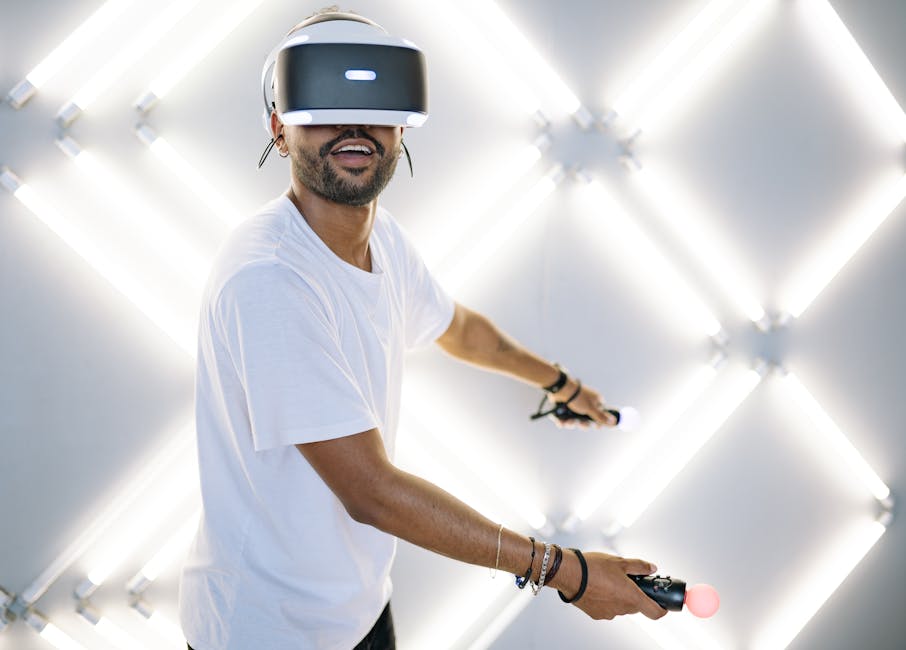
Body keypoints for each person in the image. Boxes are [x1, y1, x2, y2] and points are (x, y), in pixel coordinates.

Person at [178, 7, 666, 650]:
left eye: (375, 104)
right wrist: (565, 572)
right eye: (324, 104)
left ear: (402, 123)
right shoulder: (268, 279)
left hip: (359, 607)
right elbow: (371, 491)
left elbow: (458, 328)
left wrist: (561, 384)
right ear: (279, 125)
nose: (353, 125)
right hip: (269, 630)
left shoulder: (381, 237)